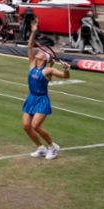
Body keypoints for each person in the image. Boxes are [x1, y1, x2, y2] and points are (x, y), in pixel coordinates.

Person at [23, 20, 70, 161]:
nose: (39, 52)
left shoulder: (48, 70)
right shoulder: (32, 65)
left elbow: (64, 76)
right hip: (31, 98)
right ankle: (40, 148)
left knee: (35, 125)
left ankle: (52, 146)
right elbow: (30, 46)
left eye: (42, 53)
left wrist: (66, 69)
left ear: (45, 58)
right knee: (26, 126)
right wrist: (33, 31)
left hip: (42, 100)